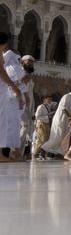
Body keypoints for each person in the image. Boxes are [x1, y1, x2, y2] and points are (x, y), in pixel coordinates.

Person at [0, 34, 27, 162]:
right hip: (5, 95)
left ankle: (9, 153)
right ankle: (7, 154)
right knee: (5, 123)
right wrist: (15, 88)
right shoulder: (4, 58)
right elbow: (3, 73)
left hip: (6, 95)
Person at [42, 84, 71, 157]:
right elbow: (63, 108)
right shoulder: (66, 97)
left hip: (66, 121)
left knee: (63, 138)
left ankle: (59, 154)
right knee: (57, 137)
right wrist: (70, 116)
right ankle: (42, 149)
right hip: (60, 120)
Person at [32, 95, 53, 160]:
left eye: (51, 100)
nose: (50, 101)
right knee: (41, 140)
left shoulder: (48, 107)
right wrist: (47, 117)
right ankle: (35, 154)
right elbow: (37, 117)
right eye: (49, 99)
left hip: (46, 124)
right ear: (45, 99)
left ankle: (43, 154)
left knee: (46, 140)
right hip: (41, 124)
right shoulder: (41, 107)